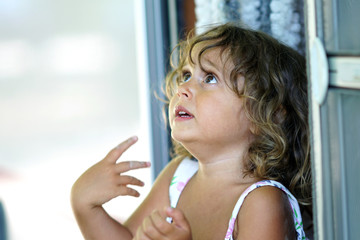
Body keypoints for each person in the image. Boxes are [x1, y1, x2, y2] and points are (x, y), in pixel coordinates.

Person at [71, 23, 312, 240]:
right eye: (186, 75)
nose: (183, 88)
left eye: (209, 78)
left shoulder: (262, 201)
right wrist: (84, 205)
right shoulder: (178, 176)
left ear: (265, 114)